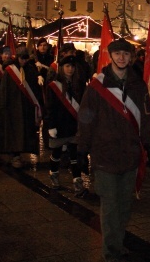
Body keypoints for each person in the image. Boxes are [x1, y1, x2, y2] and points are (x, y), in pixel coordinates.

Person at [77, 38, 150, 262]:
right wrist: (82, 151)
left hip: (130, 155)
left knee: (124, 206)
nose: (122, 58)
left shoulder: (138, 85)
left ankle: (117, 244)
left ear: (131, 57)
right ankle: (111, 252)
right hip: (105, 156)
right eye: (117, 53)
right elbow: (85, 119)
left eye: (126, 54)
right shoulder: (97, 86)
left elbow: (146, 117)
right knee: (111, 207)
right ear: (110, 56)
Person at [0, 47, 43, 168]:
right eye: (22, 58)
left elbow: (33, 88)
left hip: (26, 107)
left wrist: (39, 76)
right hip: (12, 107)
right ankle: (15, 156)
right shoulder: (10, 70)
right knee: (13, 131)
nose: (24, 61)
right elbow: (4, 89)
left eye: (26, 58)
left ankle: (20, 153)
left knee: (23, 132)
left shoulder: (30, 69)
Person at [44, 55, 87, 196]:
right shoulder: (53, 85)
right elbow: (49, 107)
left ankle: (77, 180)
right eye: (67, 66)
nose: (70, 69)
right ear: (61, 68)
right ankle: (54, 174)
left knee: (74, 153)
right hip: (59, 124)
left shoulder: (79, 84)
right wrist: (51, 126)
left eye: (72, 66)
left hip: (74, 124)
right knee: (57, 152)